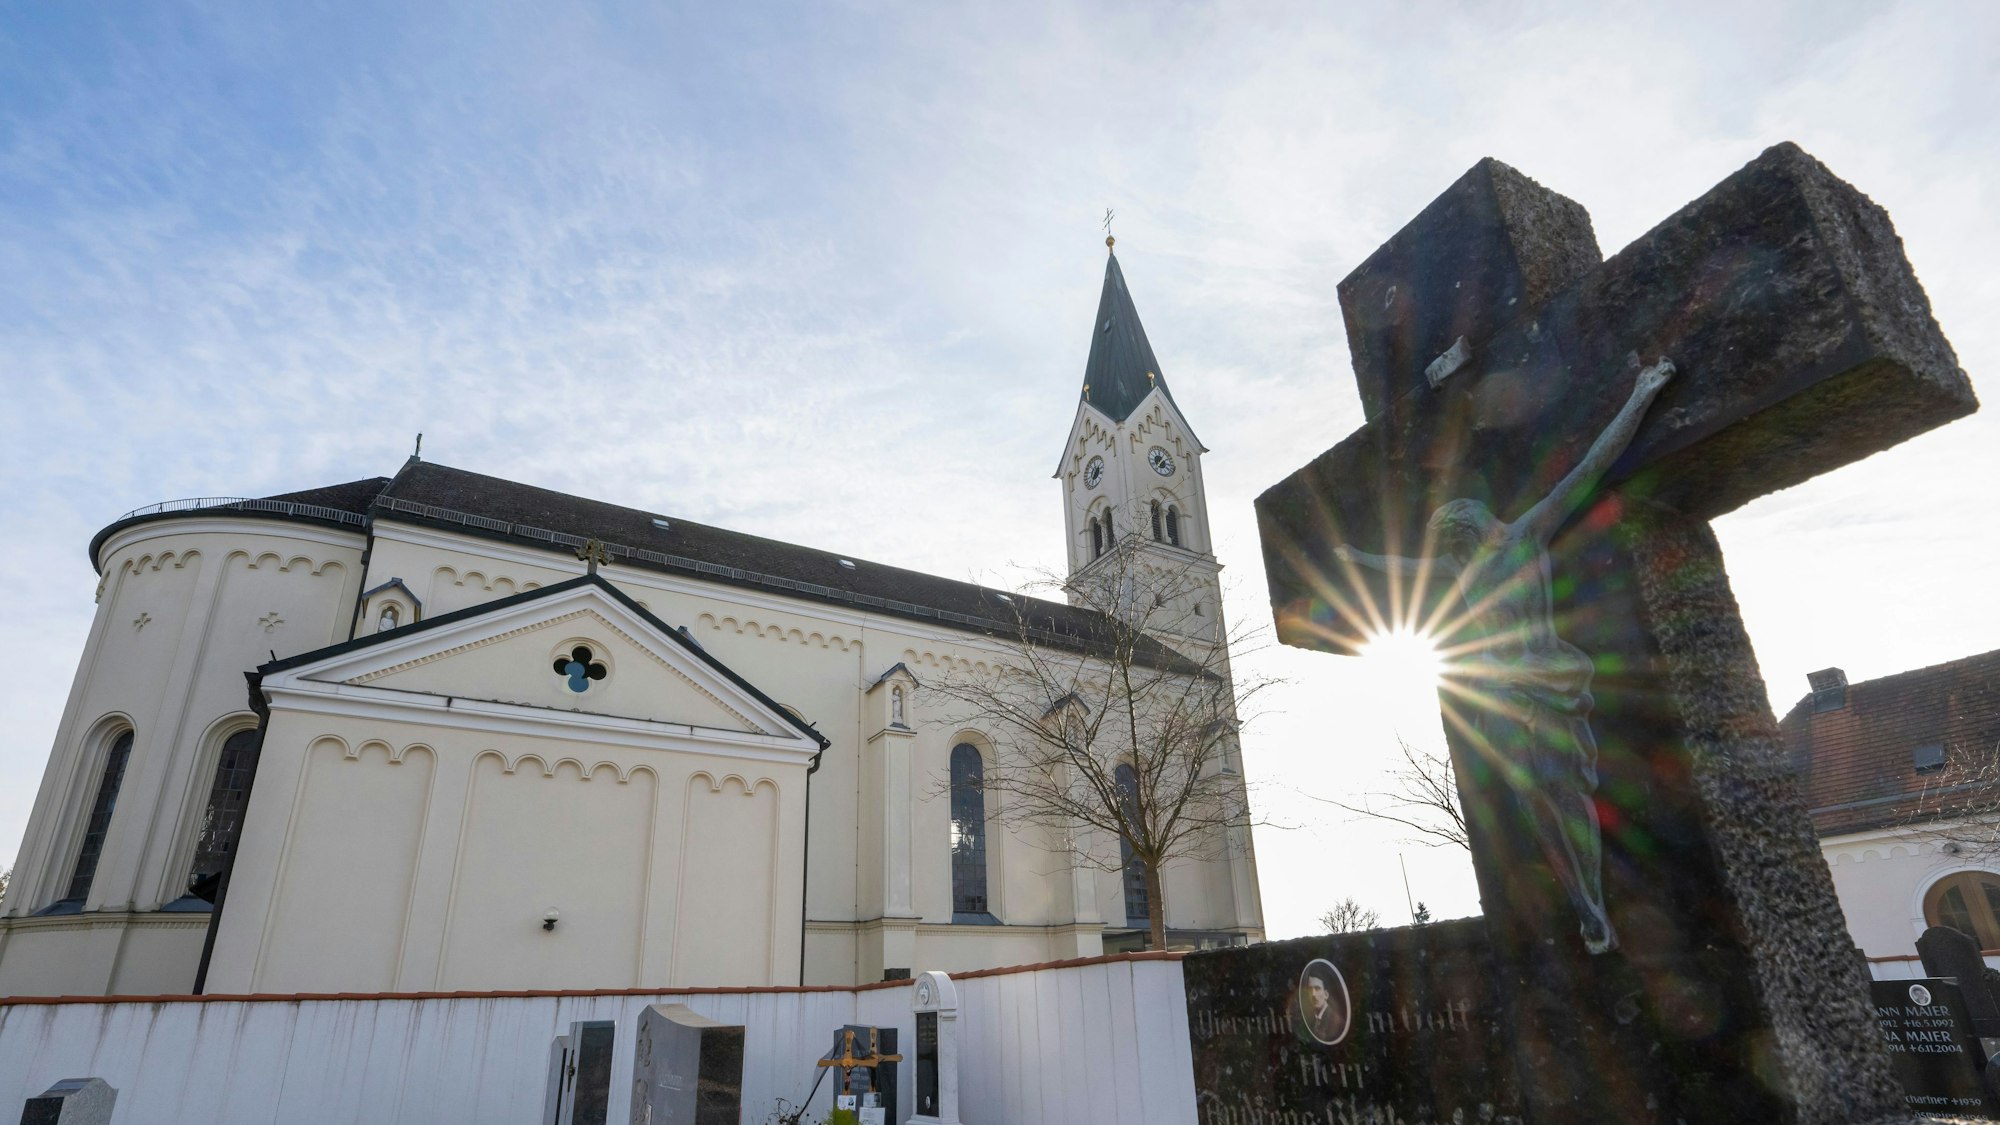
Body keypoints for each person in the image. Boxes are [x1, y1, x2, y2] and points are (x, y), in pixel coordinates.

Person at [1334, 358, 1676, 955]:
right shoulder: (1456, 569)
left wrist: (1643, 392)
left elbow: (1592, 465)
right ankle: (1586, 906)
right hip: (1499, 698)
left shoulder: (1526, 534)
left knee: (1564, 793)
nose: (1454, 543)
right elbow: (1402, 570)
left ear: (1472, 522)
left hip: (1548, 682)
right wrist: (1354, 559)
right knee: (1534, 800)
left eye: (1455, 531)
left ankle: (1593, 895)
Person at [1299, 960, 1348, 1044]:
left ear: (1326, 994)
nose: (1313, 994)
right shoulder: (1310, 1020)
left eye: (1317, 989)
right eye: (1310, 990)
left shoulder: (1336, 1021)